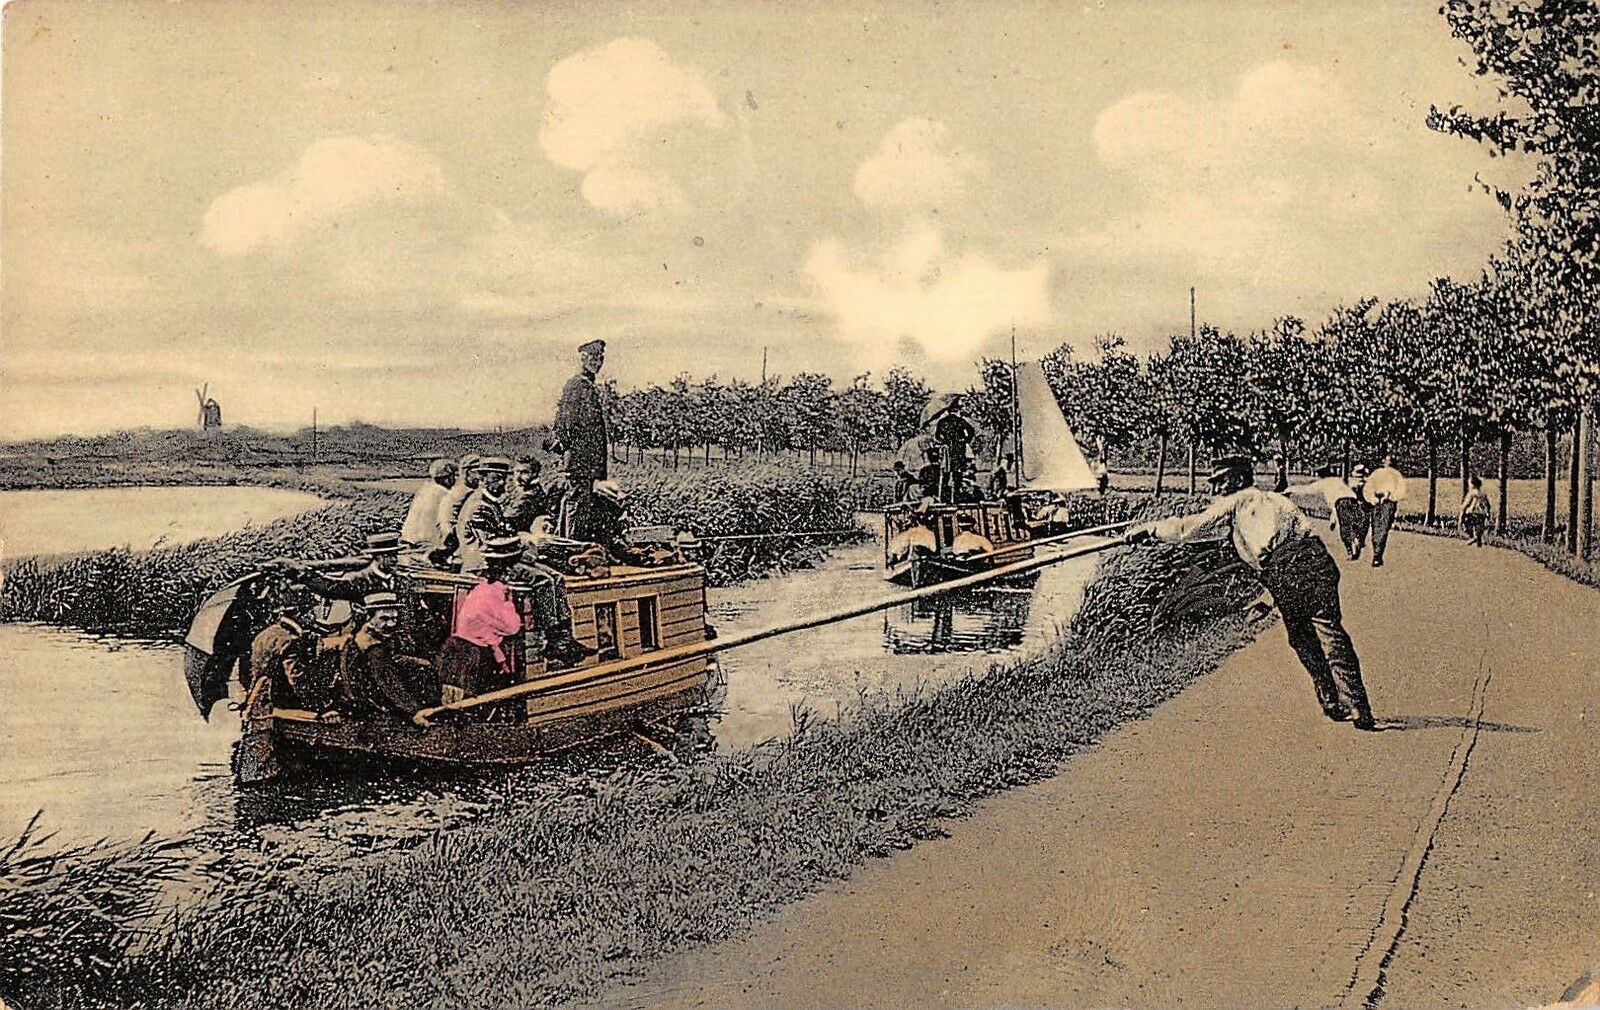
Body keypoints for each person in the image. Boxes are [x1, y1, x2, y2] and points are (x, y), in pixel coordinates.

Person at [1123, 454, 1377, 730]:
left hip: (1284, 569)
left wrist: (1150, 530)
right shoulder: (1277, 499)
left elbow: (1188, 529)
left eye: (1221, 481)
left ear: (1239, 479)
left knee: (1302, 638)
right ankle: (1357, 705)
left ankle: (1331, 700)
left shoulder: (1236, 501)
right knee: (1330, 632)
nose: (1216, 488)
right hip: (1316, 560)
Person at [434, 537, 541, 721]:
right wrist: (509, 602)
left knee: (459, 702)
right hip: (474, 655)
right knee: (485, 700)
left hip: (456, 649)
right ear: (507, 570)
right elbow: (512, 627)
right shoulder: (497, 593)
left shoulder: (479, 589)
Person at [339, 591, 436, 720]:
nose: (392, 624)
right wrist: (416, 712)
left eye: (394, 619)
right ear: (368, 618)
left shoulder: (361, 640)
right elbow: (390, 686)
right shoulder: (374, 649)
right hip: (371, 713)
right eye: (384, 619)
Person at [551, 338, 610, 541]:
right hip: (580, 460)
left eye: (600, 359)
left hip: (586, 461)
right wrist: (574, 454)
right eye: (593, 358)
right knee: (576, 503)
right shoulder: (577, 385)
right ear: (583, 358)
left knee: (577, 502)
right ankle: (571, 546)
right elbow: (565, 424)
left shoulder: (587, 385)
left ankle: (565, 543)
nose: (598, 363)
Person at [275, 532, 401, 601]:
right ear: (378, 557)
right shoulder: (358, 580)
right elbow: (329, 588)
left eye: (395, 555)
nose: (395, 560)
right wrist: (303, 574)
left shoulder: (398, 580)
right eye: (389, 556)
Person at [432, 454, 481, 565]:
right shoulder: (467, 493)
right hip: (453, 543)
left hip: (446, 539)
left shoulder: (456, 490)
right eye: (477, 472)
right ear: (467, 472)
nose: (480, 477)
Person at [930, 395, 976, 504]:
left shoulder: (942, 422)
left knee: (945, 476)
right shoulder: (960, 421)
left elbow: (937, 436)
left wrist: (944, 442)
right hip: (958, 451)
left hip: (947, 451)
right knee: (957, 475)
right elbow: (971, 431)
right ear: (956, 410)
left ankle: (944, 499)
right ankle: (956, 499)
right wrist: (964, 441)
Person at [1364, 455, 1409, 568]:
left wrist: (1390, 497)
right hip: (1377, 502)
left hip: (1388, 503)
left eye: (1390, 461)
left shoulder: (1396, 475)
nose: (1388, 463)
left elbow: (1401, 490)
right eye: (1387, 460)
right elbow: (1368, 488)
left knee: (1383, 528)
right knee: (1376, 527)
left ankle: (1377, 555)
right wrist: (1372, 498)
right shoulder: (1377, 473)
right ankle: (1376, 554)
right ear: (1383, 462)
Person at [402, 459, 458, 547]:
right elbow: (445, 524)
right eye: (453, 476)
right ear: (447, 478)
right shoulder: (444, 494)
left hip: (409, 538)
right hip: (427, 542)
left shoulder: (424, 489)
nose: (454, 480)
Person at [504, 456, 553, 534]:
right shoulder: (520, 490)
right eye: (517, 471)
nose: (518, 477)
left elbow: (508, 516)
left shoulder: (529, 496)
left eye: (524, 472)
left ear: (534, 474)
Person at [1459, 476, 1493, 547]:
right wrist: (1488, 513)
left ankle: (1473, 538)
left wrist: (1462, 510)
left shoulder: (1471, 493)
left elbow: (1467, 503)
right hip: (1482, 513)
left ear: (1473, 484)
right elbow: (1488, 504)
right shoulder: (1483, 493)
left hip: (1472, 512)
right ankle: (1478, 544)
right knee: (1479, 529)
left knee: (1468, 526)